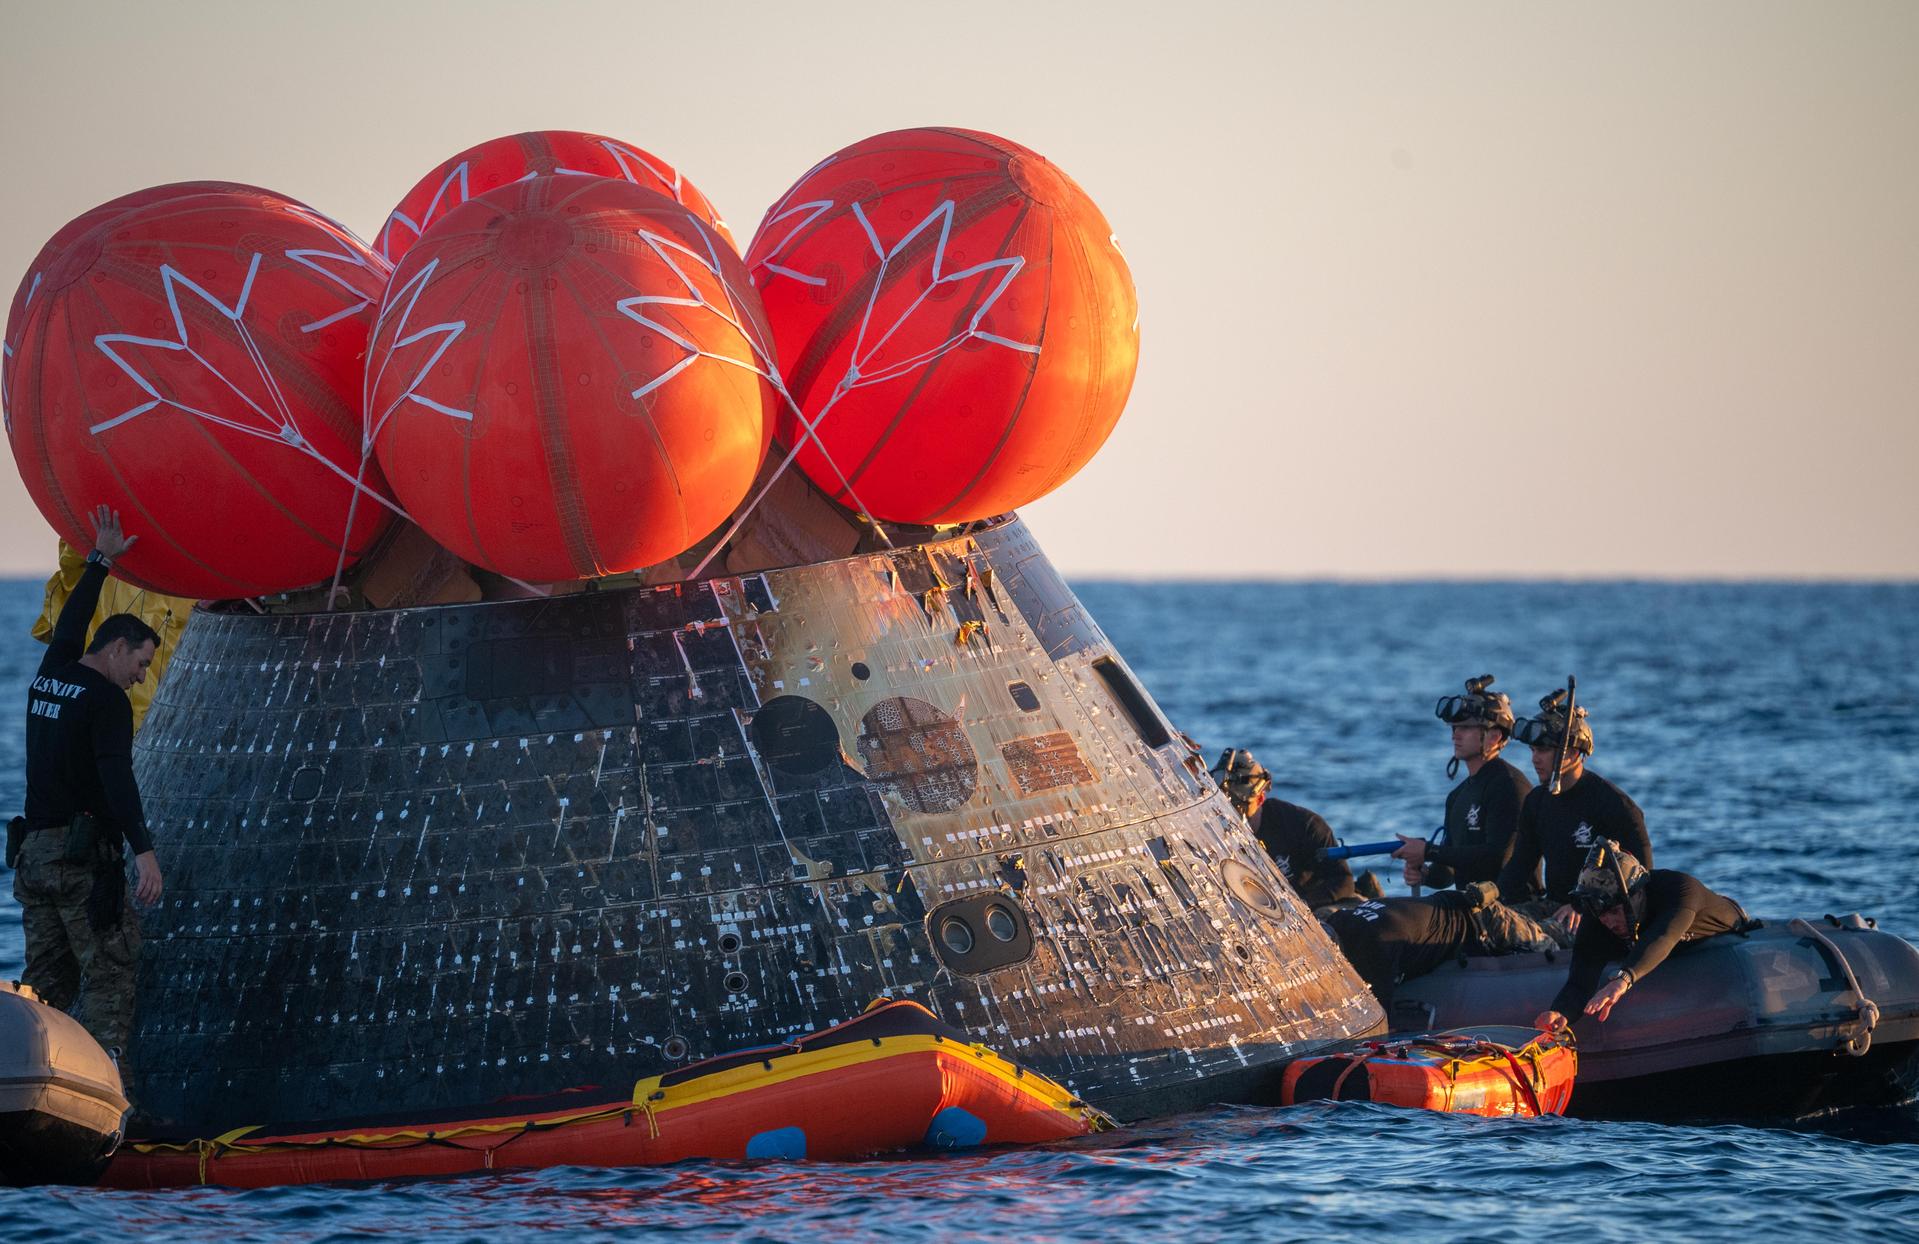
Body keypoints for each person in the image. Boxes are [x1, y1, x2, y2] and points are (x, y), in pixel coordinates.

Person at [11, 506, 164, 1065]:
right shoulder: (107, 701)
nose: (142, 676)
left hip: (33, 860)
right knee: (111, 976)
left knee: (43, 987)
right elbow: (117, 778)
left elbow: (73, 622)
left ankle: (31, 1091)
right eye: (143, 663)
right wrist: (144, 853)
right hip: (78, 866)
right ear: (118, 647)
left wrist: (100, 559)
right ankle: (107, 1095)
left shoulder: (51, 674)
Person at [1533, 840, 1750, 1030]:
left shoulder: (1679, 890)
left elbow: (1663, 936)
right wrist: (1560, 1014)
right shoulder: (1598, 919)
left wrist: (1623, 979)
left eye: (1614, 912)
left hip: (1724, 930)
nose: (1608, 922)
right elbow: (1579, 981)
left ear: (1637, 896)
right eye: (1601, 915)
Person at [1495, 689, 1652, 940]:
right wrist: (1490, 898)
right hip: (1555, 906)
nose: (1535, 759)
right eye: (1533, 750)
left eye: (1543, 751)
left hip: (1601, 914)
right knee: (1486, 923)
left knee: (1524, 935)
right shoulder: (1536, 801)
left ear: (1573, 752)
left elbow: (1644, 877)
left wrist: (1584, 907)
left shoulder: (1613, 804)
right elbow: (1520, 865)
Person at [1393, 674, 1532, 893]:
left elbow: (1497, 859)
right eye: (1453, 728)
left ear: (1494, 736)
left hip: (1510, 908)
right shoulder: (1457, 796)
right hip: (1467, 907)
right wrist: (1425, 874)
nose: (1455, 736)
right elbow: (1448, 872)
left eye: (1465, 728)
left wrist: (1429, 851)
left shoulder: (1510, 786)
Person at [1323, 884, 1557, 1011]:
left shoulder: (1374, 945)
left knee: (1553, 945)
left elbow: (1376, 1014)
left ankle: (1569, 915)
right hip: (1450, 905)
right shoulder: (1341, 919)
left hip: (1482, 921)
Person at [1212, 749, 1367, 913]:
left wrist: (1299, 907)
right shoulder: (1216, 832)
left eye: (1238, 808)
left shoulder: (1304, 825)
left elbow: (1343, 881)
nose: (1231, 817)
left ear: (1260, 798)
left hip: (1311, 905)